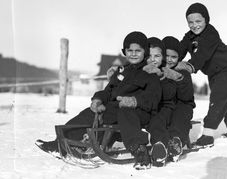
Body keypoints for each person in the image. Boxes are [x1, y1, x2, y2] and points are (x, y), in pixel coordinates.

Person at [36, 31, 162, 170]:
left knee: (126, 113)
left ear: (145, 52)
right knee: (88, 114)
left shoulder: (150, 73)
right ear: (124, 52)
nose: (133, 53)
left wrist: (133, 101)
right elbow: (108, 91)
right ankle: (60, 144)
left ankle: (140, 151)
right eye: (129, 50)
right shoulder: (122, 72)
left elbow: (153, 97)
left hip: (140, 111)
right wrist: (98, 100)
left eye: (138, 50)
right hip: (115, 109)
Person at [175, 2, 227, 148]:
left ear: (206, 20)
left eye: (198, 21)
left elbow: (202, 55)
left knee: (218, 98)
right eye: (190, 22)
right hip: (214, 71)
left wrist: (188, 66)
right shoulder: (189, 37)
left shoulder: (211, 34)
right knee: (226, 98)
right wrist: (170, 60)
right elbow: (180, 50)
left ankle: (208, 135)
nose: (195, 25)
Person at [143, 37, 177, 166]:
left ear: (162, 57)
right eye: (149, 55)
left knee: (156, 121)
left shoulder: (166, 72)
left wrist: (159, 77)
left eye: (157, 56)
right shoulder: (142, 70)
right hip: (147, 107)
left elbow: (170, 93)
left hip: (164, 107)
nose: (152, 59)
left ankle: (160, 147)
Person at [161, 36, 195, 160]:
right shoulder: (158, 70)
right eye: (166, 56)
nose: (169, 60)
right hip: (166, 105)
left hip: (182, 104)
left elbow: (186, 96)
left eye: (174, 57)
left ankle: (176, 141)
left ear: (179, 58)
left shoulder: (183, 72)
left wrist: (177, 78)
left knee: (180, 114)